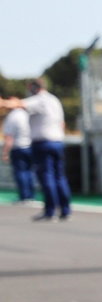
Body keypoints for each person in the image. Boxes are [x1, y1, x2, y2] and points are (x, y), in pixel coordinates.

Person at [0, 79, 68, 219]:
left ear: (34, 88)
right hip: (58, 142)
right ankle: (65, 209)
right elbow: (62, 123)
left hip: (43, 143)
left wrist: (4, 103)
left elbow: (19, 103)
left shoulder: (40, 100)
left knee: (46, 176)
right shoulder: (55, 100)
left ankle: (50, 211)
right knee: (59, 176)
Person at [3, 102, 34, 203]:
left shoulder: (12, 117)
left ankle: (24, 196)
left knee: (20, 172)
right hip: (30, 146)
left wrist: (5, 152)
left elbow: (9, 136)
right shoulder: (26, 114)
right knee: (29, 172)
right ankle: (30, 195)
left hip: (19, 147)